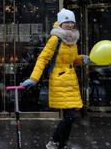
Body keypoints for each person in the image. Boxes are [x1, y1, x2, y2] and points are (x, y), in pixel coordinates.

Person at [20, 8, 91, 149]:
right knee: (69, 116)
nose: (70, 25)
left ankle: (61, 144)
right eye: (67, 22)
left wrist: (82, 59)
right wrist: (34, 78)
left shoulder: (72, 40)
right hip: (60, 80)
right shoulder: (55, 39)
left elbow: (71, 60)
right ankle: (54, 141)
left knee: (69, 118)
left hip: (71, 81)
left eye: (72, 22)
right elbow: (42, 59)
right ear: (60, 23)